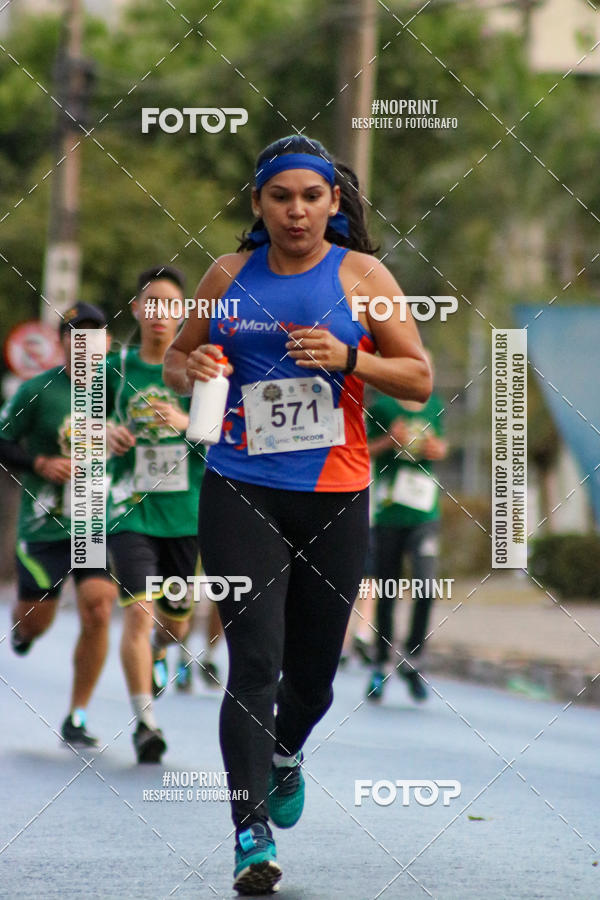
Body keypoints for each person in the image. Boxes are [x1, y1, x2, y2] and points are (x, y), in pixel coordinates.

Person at [163, 135, 431, 896]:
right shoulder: (227, 275)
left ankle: (286, 752)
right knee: (254, 661)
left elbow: (416, 376)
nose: (296, 210)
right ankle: (250, 833)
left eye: (311, 197)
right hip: (240, 486)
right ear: (259, 205)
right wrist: (199, 365)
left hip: (336, 494)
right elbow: (177, 360)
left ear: (332, 203)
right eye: (280, 197)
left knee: (313, 677)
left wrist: (350, 359)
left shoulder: (363, 276)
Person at [0, 302, 116, 747]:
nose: (84, 345)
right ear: (62, 344)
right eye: (74, 336)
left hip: (92, 519)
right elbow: (3, 441)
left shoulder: (118, 390)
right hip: (44, 522)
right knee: (37, 621)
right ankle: (21, 628)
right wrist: (40, 461)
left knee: (98, 607)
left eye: (93, 335)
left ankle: (78, 714)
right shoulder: (38, 390)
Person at [105, 266, 205, 763]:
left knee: (175, 625)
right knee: (138, 615)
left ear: (183, 313)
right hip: (129, 508)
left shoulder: (198, 369)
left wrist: (188, 420)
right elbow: (77, 422)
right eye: (152, 303)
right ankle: (145, 722)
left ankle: (164, 652)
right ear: (137, 310)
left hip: (186, 514)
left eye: (172, 305)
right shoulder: (114, 368)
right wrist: (102, 434)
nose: (161, 315)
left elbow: (224, 432)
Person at [365, 359, 448, 702]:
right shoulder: (382, 406)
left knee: (427, 584)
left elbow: (441, 446)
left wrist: (438, 450)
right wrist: (389, 441)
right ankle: (381, 663)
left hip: (424, 511)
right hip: (388, 513)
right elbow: (362, 450)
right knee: (387, 589)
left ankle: (413, 657)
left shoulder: (437, 406)